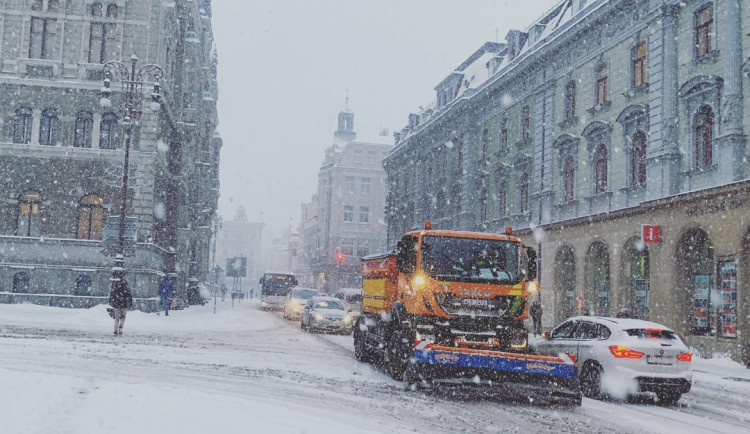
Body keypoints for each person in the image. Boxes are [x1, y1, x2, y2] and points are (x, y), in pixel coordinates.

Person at [109, 270, 133, 336]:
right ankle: (120, 328)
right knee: (123, 317)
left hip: (117, 304)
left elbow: (113, 294)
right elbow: (129, 296)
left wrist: (113, 301)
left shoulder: (116, 285)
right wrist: (130, 303)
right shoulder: (126, 287)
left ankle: (115, 330)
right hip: (124, 304)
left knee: (117, 318)